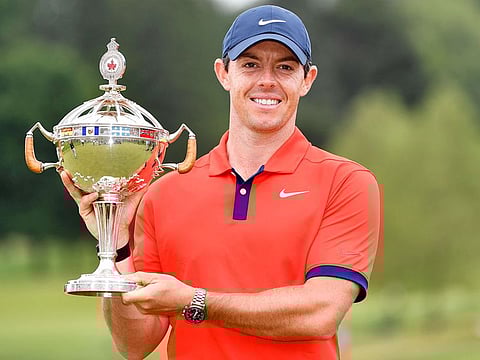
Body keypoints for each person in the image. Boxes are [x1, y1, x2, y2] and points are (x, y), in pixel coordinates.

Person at [61, 5, 380, 359]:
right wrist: (117, 244)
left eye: (285, 67)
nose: (267, 80)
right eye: (250, 64)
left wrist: (196, 301)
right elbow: (134, 344)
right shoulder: (166, 191)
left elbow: (320, 313)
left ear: (307, 80)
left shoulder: (346, 182)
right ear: (223, 73)